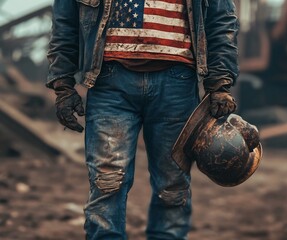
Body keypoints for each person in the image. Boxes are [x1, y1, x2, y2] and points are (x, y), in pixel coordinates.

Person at [46, 0, 239, 239]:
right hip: (110, 82)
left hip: (176, 84)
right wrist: (62, 83)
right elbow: (65, 20)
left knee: (173, 188)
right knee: (107, 182)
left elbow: (221, 20)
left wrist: (220, 82)